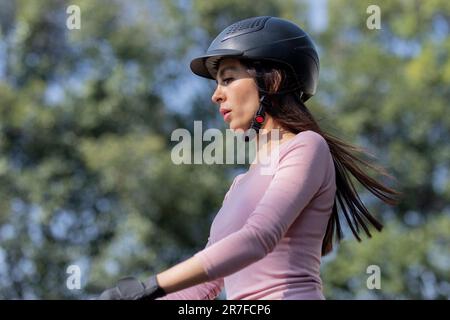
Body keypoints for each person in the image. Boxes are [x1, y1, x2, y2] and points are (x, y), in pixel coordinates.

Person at [98, 16, 401, 300]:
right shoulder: (240, 184)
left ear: (273, 81)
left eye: (227, 79)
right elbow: (207, 284)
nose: (216, 95)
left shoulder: (308, 147)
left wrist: (150, 285)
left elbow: (258, 239)